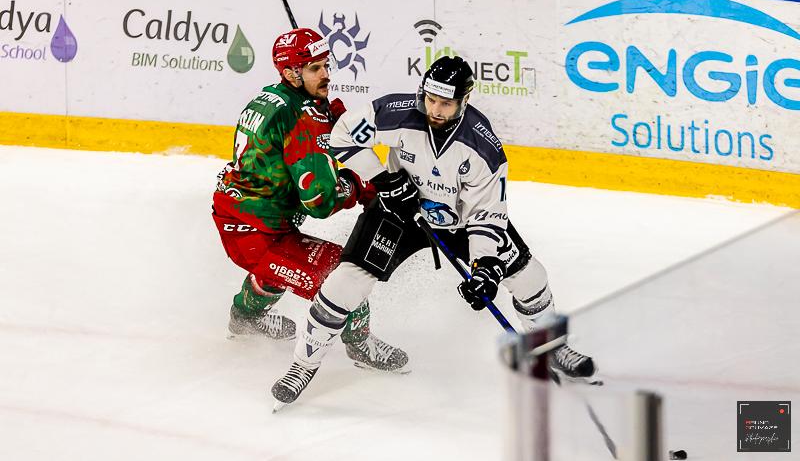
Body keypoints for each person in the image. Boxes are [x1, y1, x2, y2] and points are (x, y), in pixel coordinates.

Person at [271, 55, 595, 408]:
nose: (436, 110)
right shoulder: (398, 113)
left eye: (446, 103)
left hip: (460, 221)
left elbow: (487, 214)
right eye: (431, 99)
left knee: (531, 277)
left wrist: (485, 267)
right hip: (398, 212)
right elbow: (342, 135)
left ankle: (552, 347)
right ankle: (303, 365)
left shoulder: (482, 146)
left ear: (464, 101)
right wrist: (384, 179)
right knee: (345, 283)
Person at [212, 27, 408, 373]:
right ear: (291, 73)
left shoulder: (271, 97)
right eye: (315, 68)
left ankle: (244, 318)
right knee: (344, 274)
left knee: (282, 263)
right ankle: (359, 344)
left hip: (240, 218)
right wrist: (360, 185)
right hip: (257, 232)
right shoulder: (304, 119)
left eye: (326, 65)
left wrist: (326, 118)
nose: (326, 74)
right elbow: (319, 202)